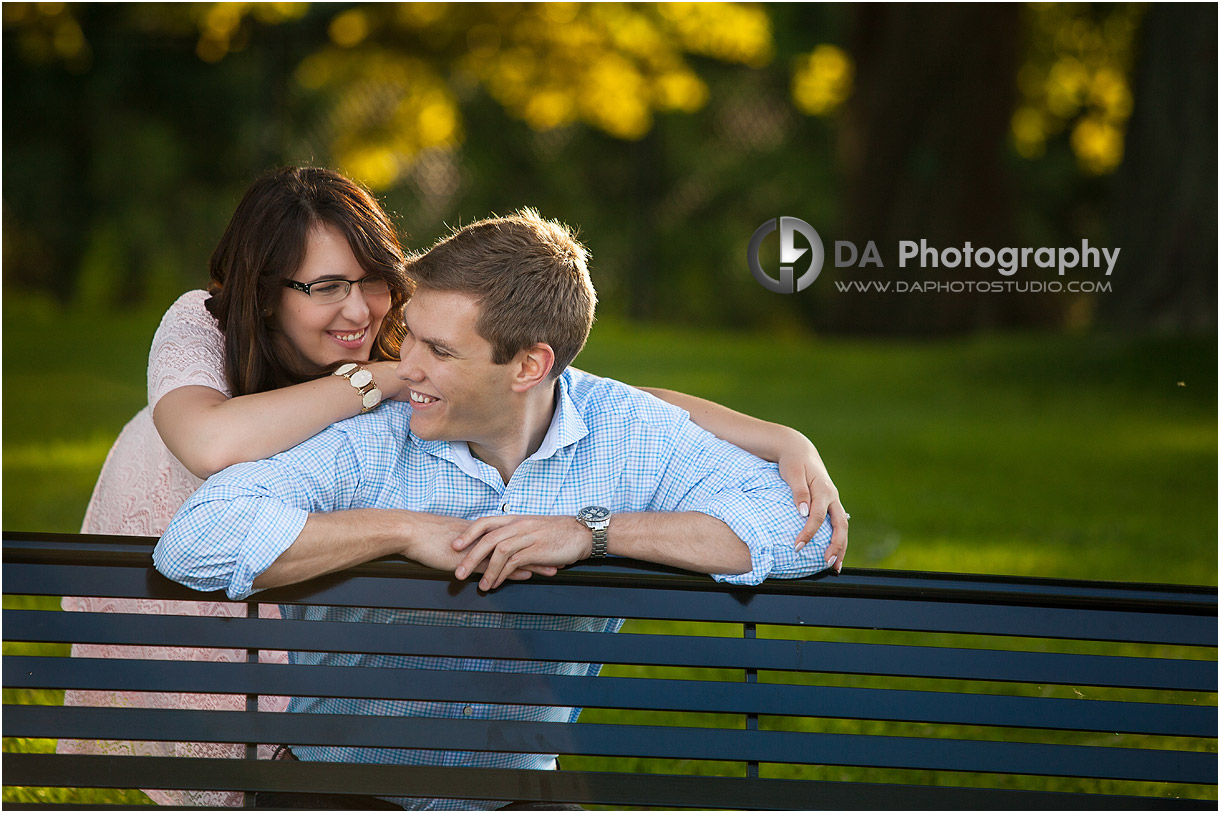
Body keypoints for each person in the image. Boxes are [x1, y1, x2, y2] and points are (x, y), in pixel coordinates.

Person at [154, 208, 847, 811]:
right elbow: (196, 539)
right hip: (338, 789)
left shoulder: (632, 435)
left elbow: (800, 535)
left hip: (518, 797)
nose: (405, 364)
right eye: (412, 333)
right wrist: (399, 529)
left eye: (439, 349)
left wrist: (591, 533)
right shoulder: (370, 433)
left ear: (528, 367)